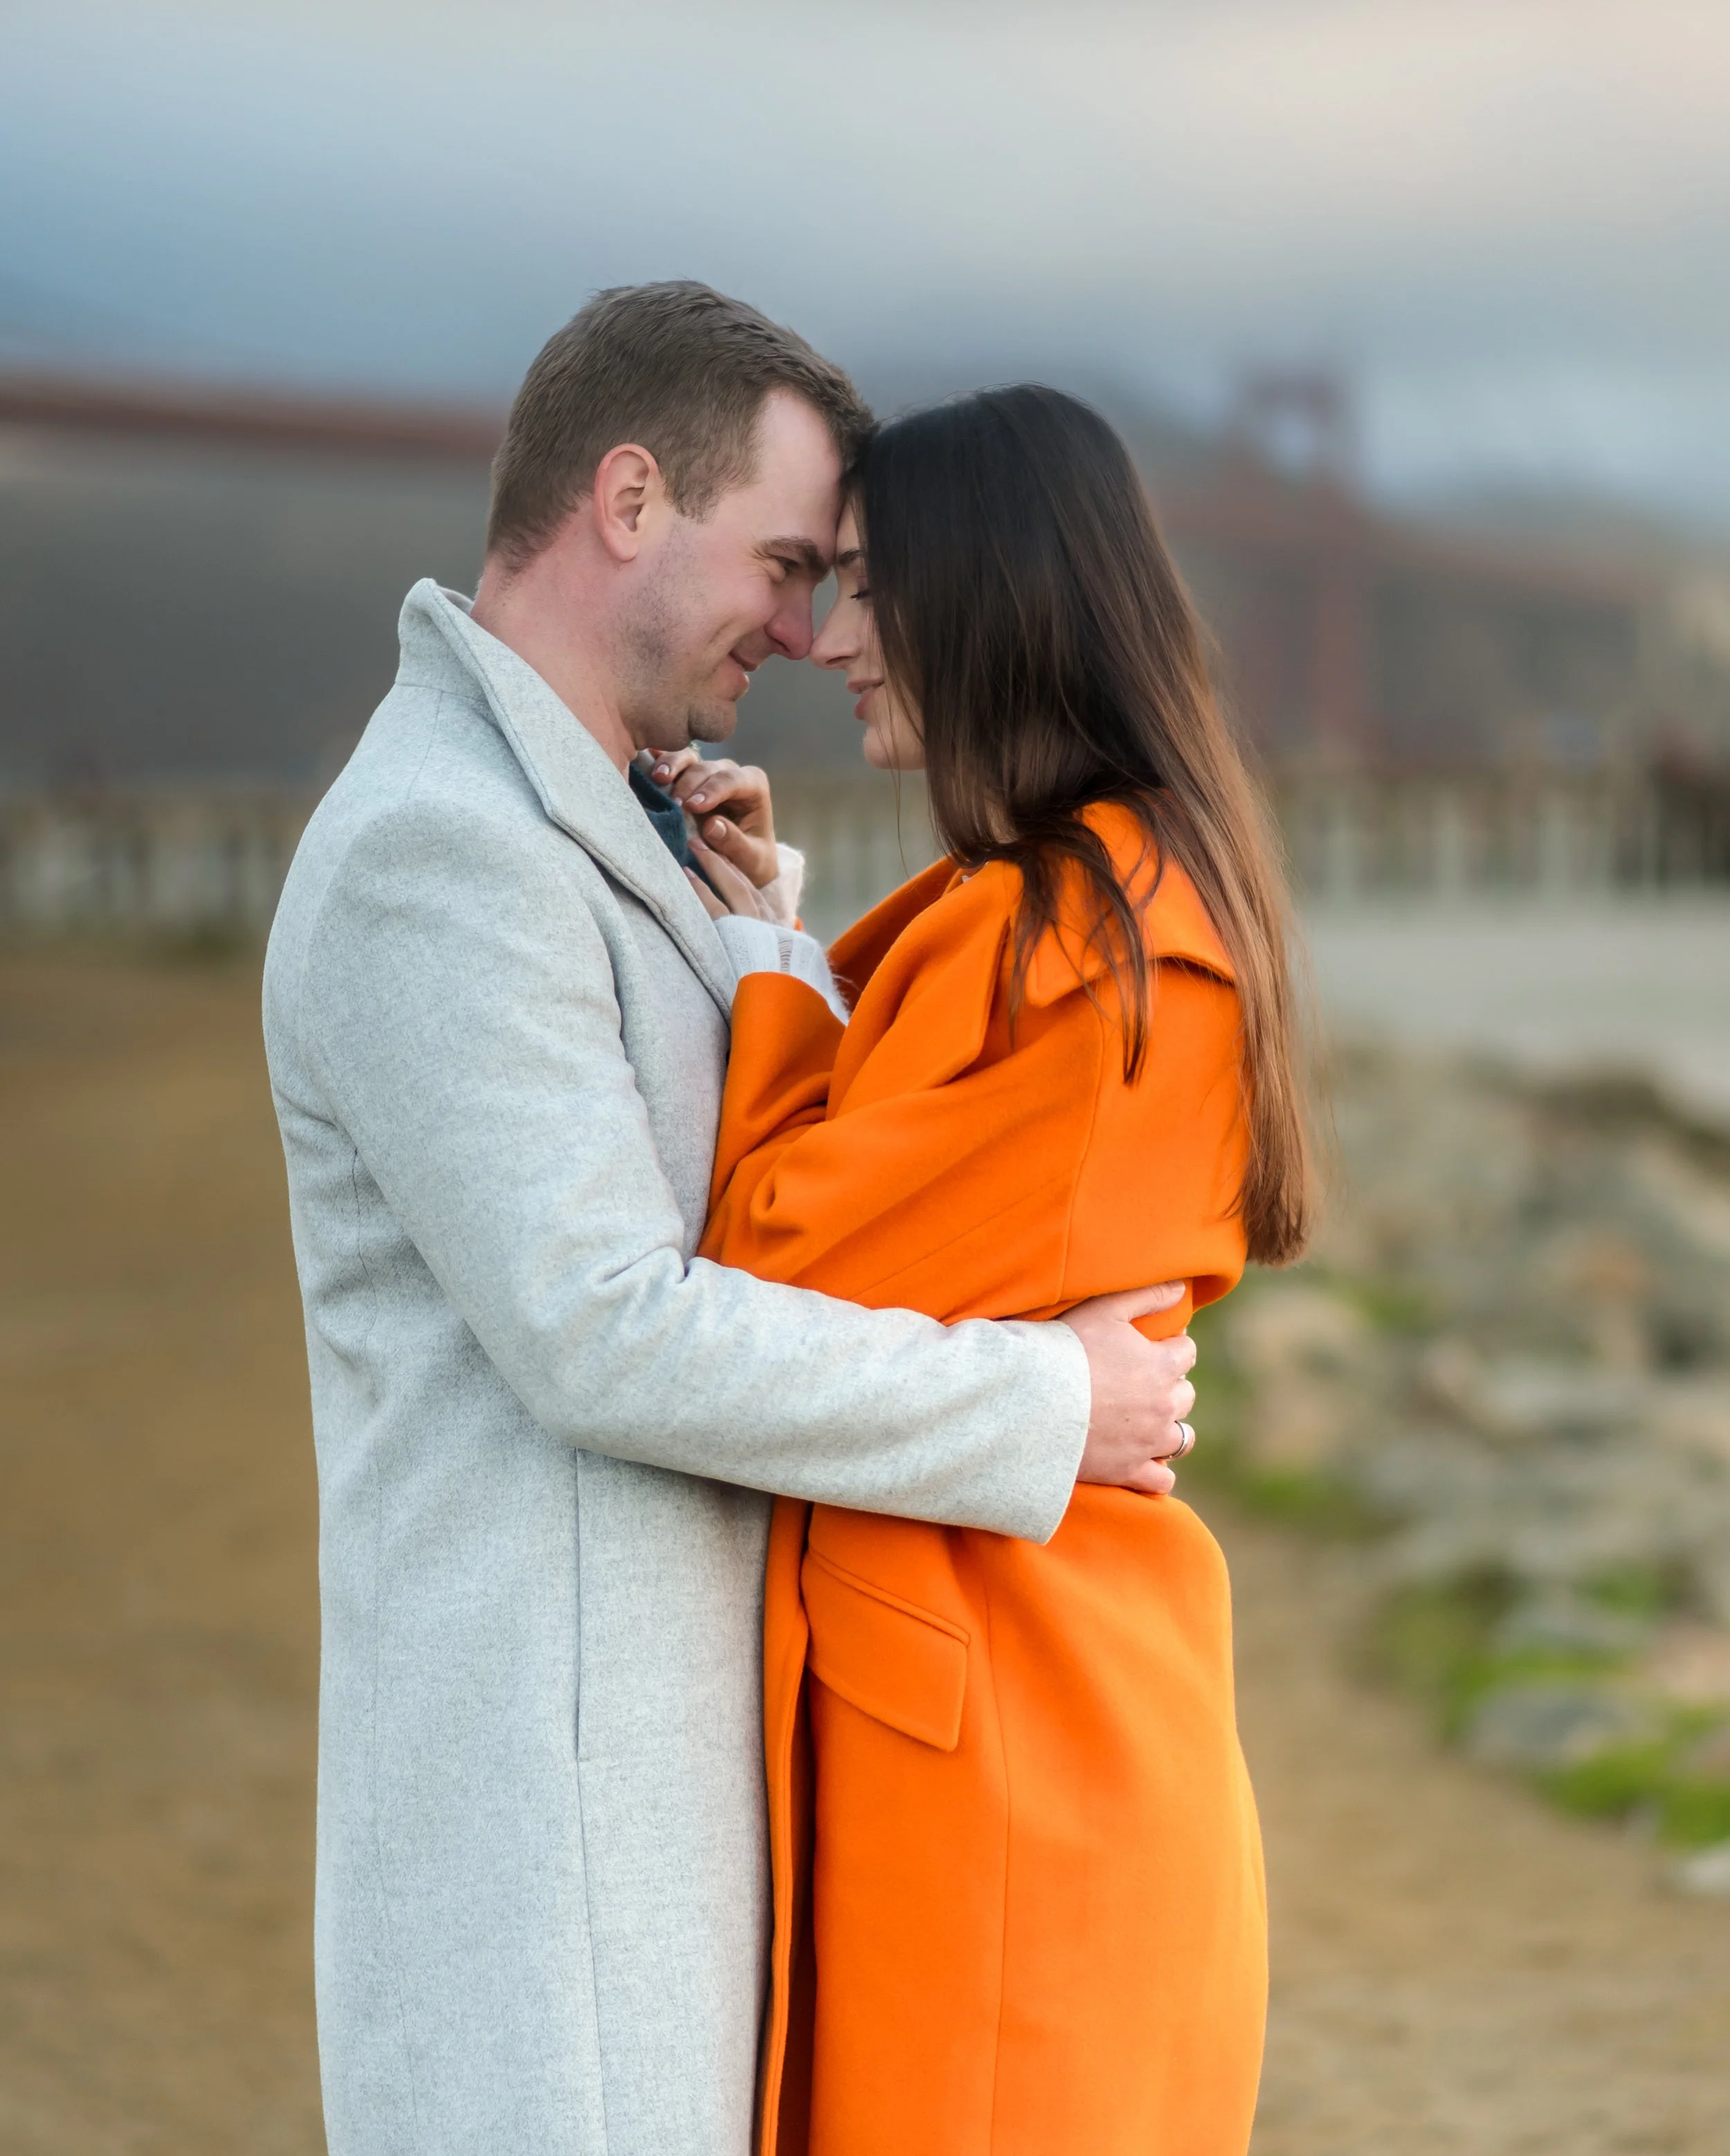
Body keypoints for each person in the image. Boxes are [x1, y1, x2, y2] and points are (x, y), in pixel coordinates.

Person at [262, 286, 1201, 2156]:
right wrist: (1042, 1407)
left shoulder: (590, 831)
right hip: (553, 1844)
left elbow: (765, 1204)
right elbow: (603, 1321)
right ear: (626, 499)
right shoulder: (438, 850)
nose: (808, 625)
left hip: (670, 1804)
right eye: (783, 563)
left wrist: (756, 936)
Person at [680, 384, 1313, 2156]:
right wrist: (786, 941)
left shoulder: (1063, 936)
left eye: (872, 588)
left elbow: (762, 1258)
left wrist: (760, 967)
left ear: (992, 597)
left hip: (1000, 1735)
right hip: (1050, 1696)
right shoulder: (1121, 898)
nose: (830, 639)